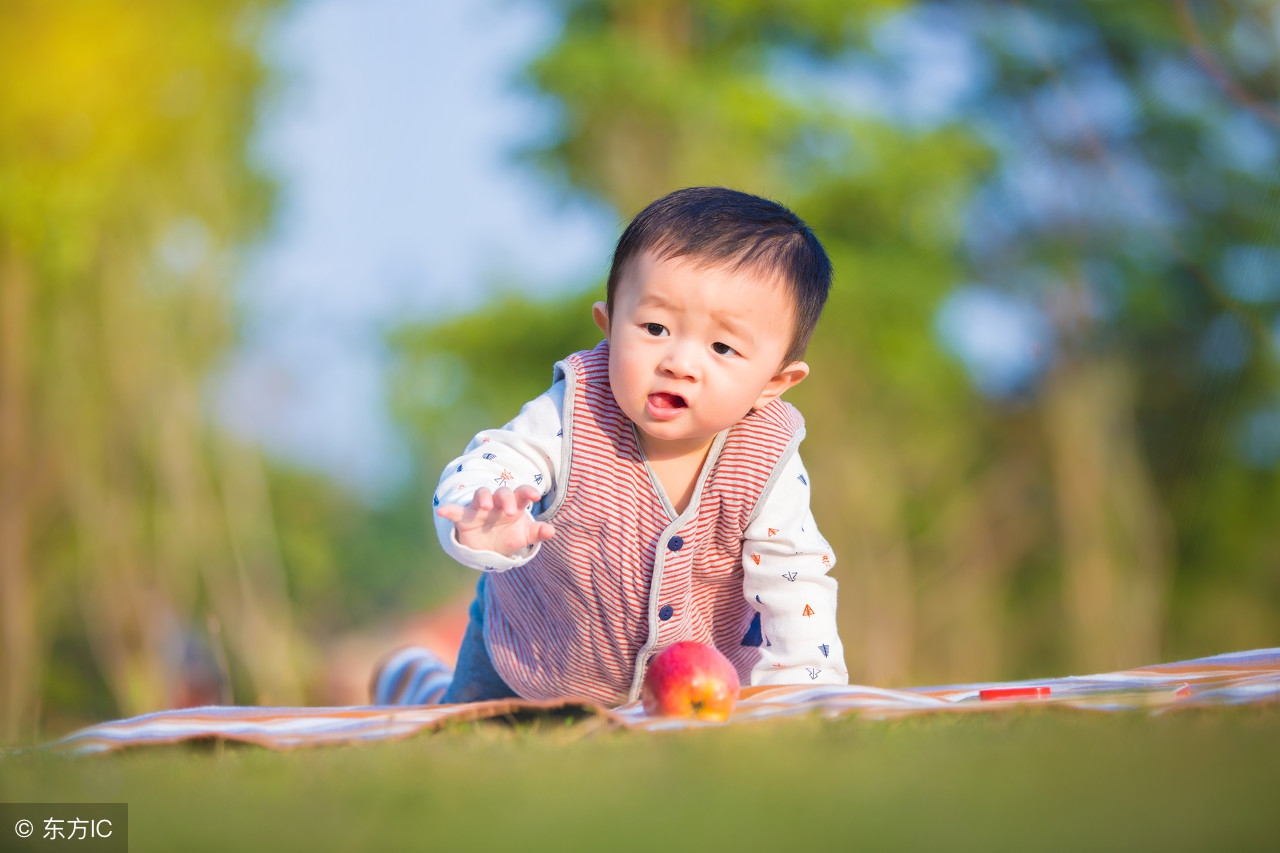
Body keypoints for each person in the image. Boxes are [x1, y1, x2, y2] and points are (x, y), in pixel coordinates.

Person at [372, 187, 848, 709]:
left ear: (774, 382)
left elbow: (794, 575)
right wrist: (481, 515)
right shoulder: (574, 411)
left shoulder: (765, 457)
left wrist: (804, 691)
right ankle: (411, 677)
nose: (679, 362)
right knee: (461, 727)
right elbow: (498, 459)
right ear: (609, 325)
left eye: (722, 347)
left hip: (691, 680)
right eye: (655, 327)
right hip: (531, 652)